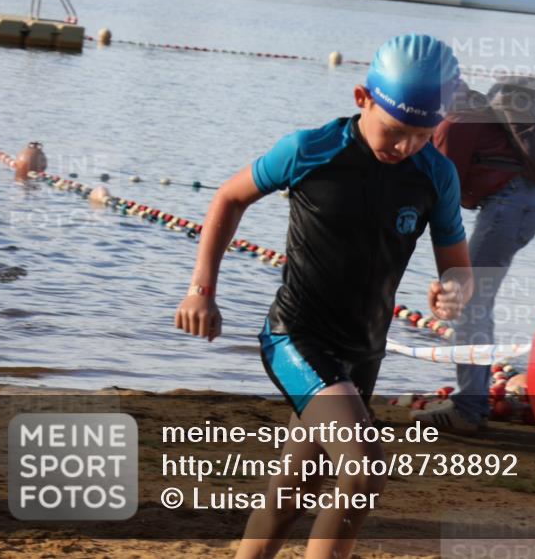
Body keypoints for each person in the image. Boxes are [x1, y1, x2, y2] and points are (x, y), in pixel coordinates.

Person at [174, 33, 473, 559]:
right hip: (296, 337)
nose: (405, 147)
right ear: (362, 98)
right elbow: (228, 197)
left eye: (423, 136)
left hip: (363, 351)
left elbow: (460, 271)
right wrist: (202, 289)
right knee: (363, 467)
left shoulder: (437, 176)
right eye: (395, 130)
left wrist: (451, 292)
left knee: (294, 487)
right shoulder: (310, 149)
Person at [413, 76, 535, 433]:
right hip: (526, 206)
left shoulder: (454, 122)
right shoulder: (476, 113)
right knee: (478, 302)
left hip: (504, 209)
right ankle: (473, 398)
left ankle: (468, 406)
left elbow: (443, 186)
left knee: (466, 301)